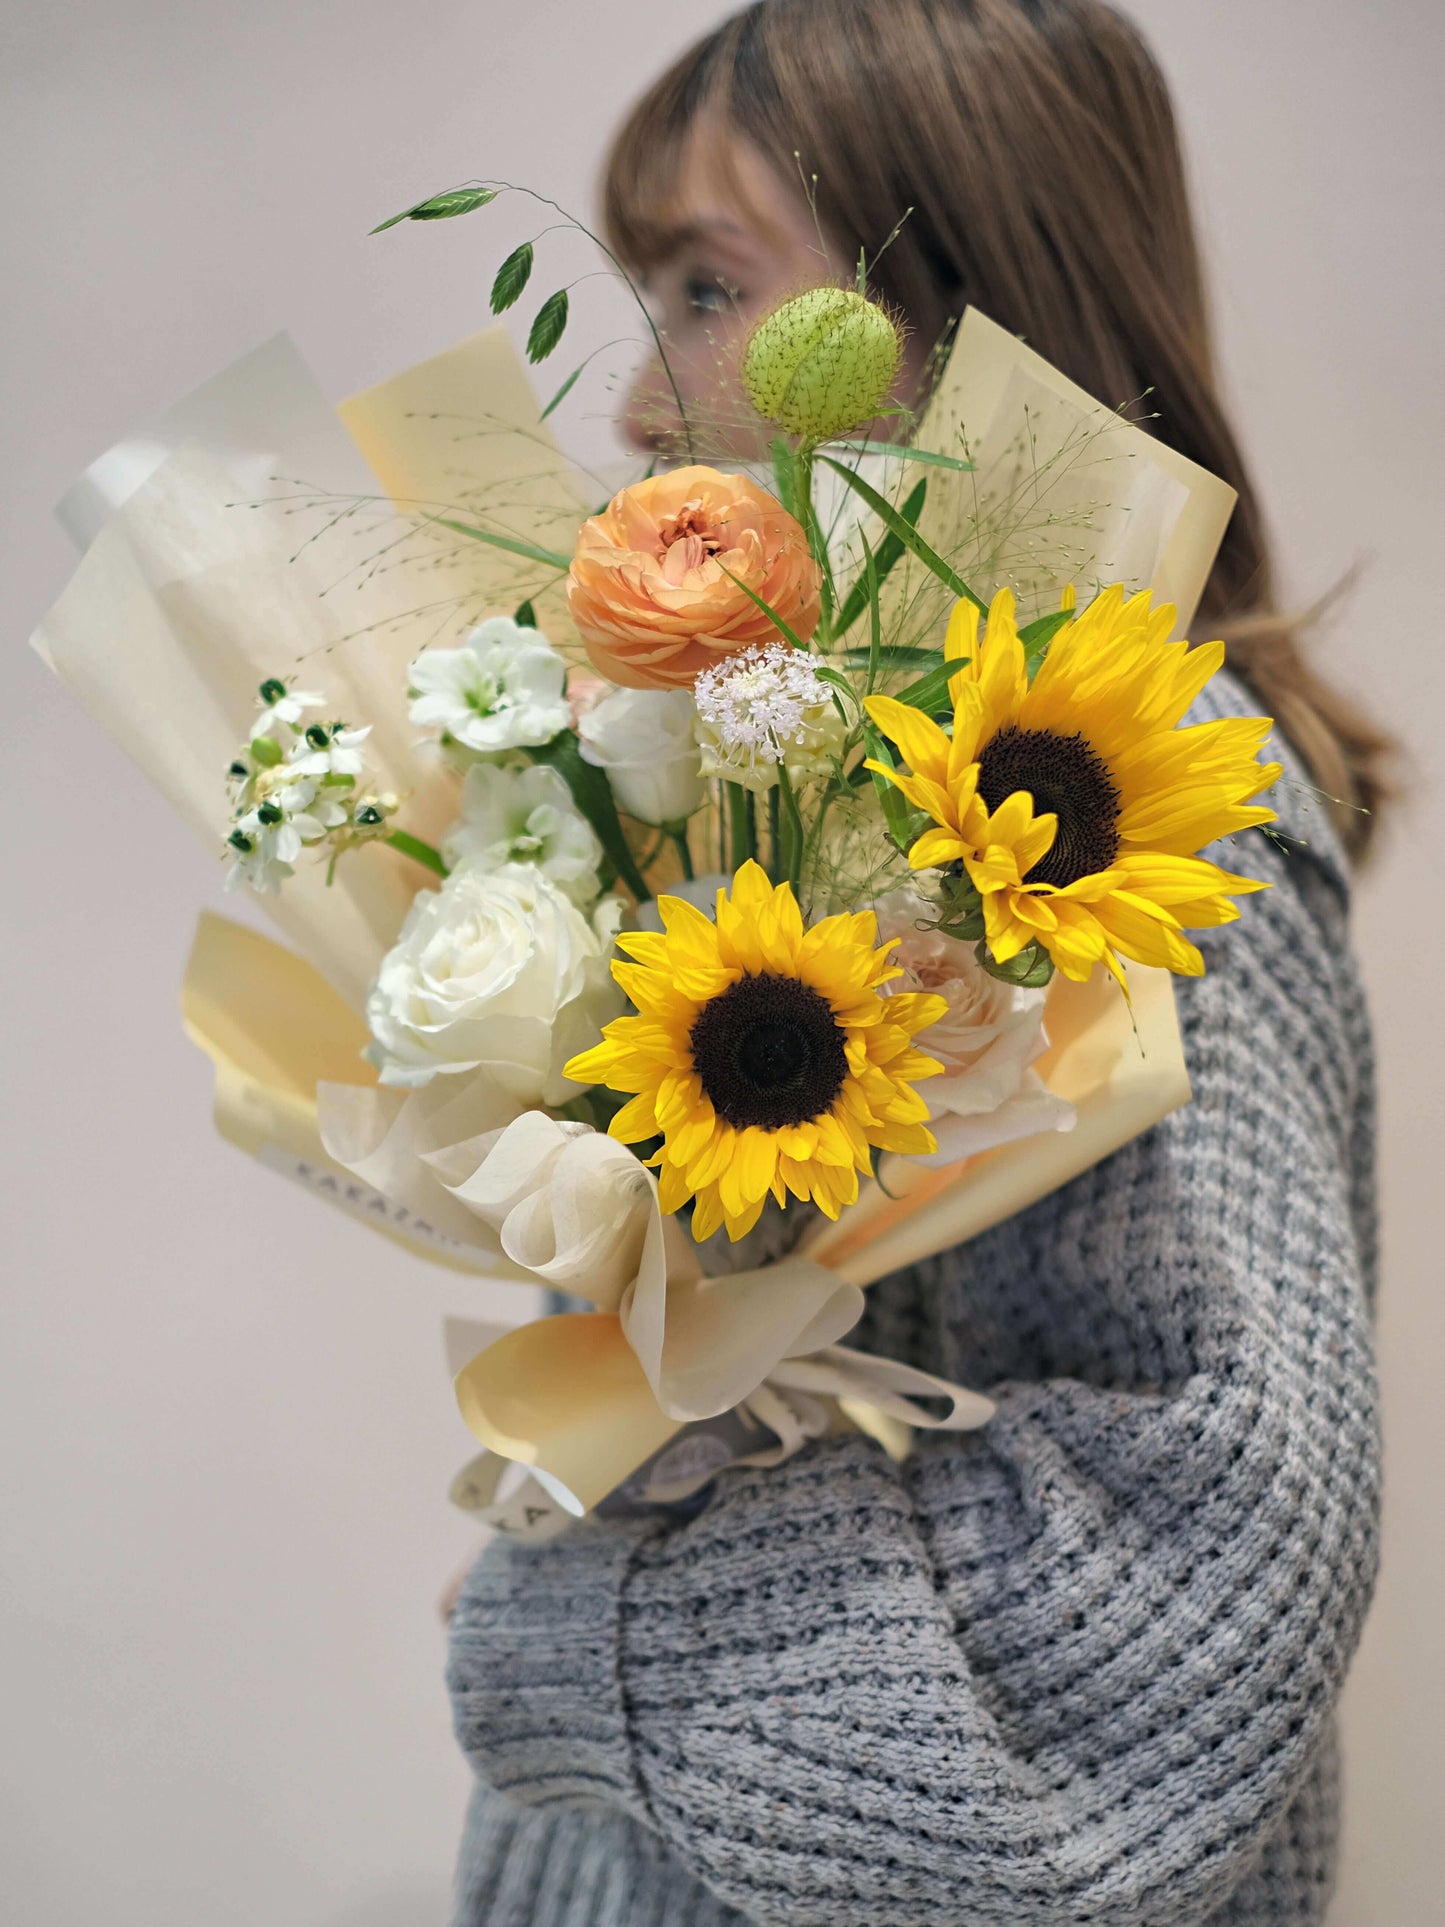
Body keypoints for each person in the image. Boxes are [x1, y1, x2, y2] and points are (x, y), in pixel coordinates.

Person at [445, 4, 1390, 1921]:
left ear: (975, 325)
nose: (635, 403)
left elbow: (1189, 1591)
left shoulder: (1132, 850)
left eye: (710, 288)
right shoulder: (830, 789)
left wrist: (574, 1625)